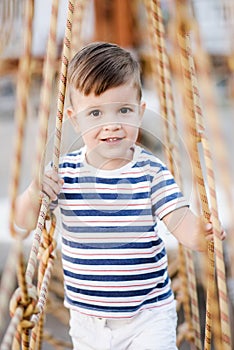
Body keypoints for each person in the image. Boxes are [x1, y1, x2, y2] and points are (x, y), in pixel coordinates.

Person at [15, 42, 225, 350]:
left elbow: (184, 228)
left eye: (123, 110)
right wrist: (35, 191)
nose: (111, 124)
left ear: (140, 113)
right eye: (96, 113)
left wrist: (203, 233)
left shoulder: (152, 172)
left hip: (148, 316)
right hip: (87, 321)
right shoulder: (64, 172)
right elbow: (22, 221)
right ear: (75, 120)